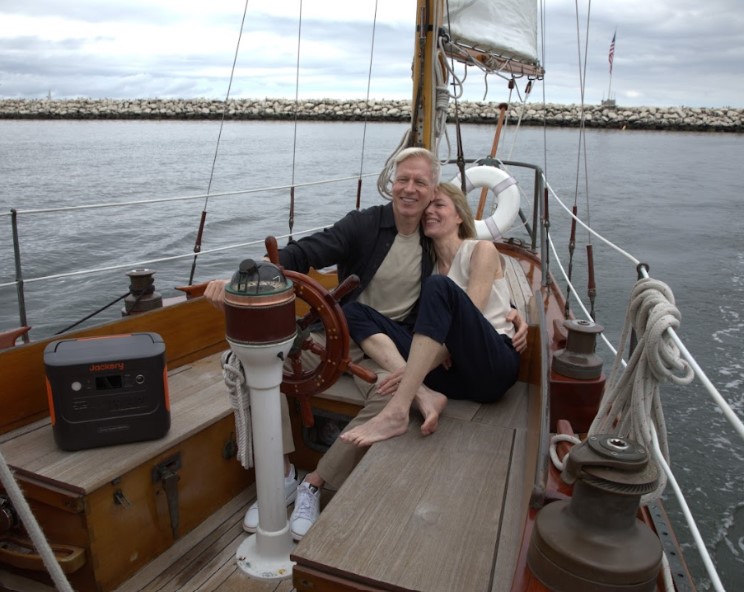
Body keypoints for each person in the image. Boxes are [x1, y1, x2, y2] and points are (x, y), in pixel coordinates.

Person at [204, 147, 439, 540]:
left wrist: (512, 316)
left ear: (433, 191)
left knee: (393, 394)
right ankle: (281, 476)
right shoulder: (363, 225)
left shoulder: (437, 237)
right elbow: (306, 252)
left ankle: (314, 482)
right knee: (260, 364)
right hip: (336, 334)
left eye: (420, 182)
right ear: (391, 184)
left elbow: (469, 279)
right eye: (402, 179)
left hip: (389, 346)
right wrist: (254, 277)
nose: (409, 189)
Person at [340, 182, 528, 447]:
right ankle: (423, 393)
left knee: (438, 287)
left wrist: (410, 369)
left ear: (459, 216)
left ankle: (398, 410)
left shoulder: (480, 250)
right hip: (450, 379)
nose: (430, 211)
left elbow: (471, 313)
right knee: (351, 310)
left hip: (490, 367)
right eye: (427, 207)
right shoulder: (426, 269)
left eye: (439, 205)